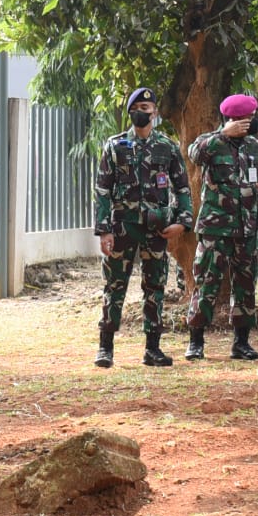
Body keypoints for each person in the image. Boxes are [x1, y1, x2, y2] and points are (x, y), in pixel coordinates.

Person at [93, 87, 193, 368]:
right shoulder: (115, 146)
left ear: (155, 113)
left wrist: (183, 222)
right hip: (123, 227)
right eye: (137, 109)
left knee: (155, 286)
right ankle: (105, 348)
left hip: (156, 229)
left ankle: (152, 348)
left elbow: (182, 186)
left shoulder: (167, 146)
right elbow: (102, 189)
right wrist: (104, 230)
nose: (142, 113)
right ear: (130, 113)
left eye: (147, 109)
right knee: (114, 286)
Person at [185, 94, 258, 361]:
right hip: (216, 229)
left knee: (246, 286)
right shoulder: (210, 142)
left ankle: (241, 343)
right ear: (235, 119)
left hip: (247, 229)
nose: (253, 121)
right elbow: (194, 155)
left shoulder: (256, 147)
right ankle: (196, 341)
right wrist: (222, 134)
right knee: (207, 283)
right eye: (249, 118)